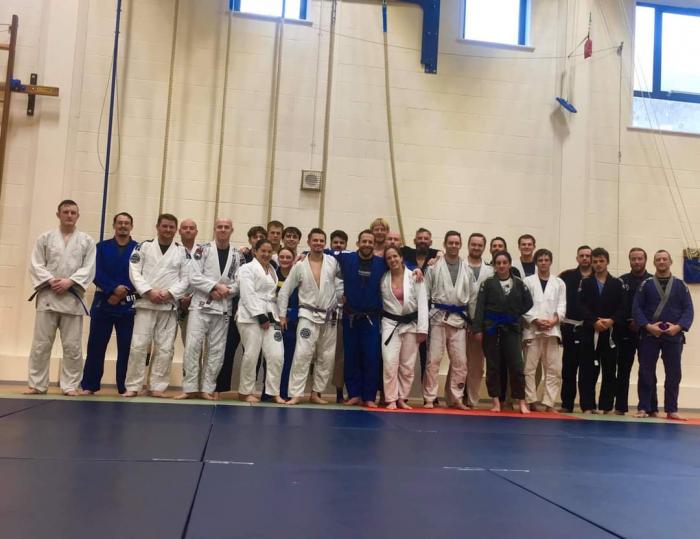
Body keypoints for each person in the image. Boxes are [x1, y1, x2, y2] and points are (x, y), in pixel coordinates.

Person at [25, 200, 96, 395]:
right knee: (40, 344)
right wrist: (51, 280)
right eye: (66, 212)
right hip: (48, 296)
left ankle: (70, 385)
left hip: (72, 298)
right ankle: (37, 384)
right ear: (58, 214)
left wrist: (69, 281)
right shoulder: (45, 238)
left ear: (78, 216)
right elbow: (36, 264)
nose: (69, 215)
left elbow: (89, 268)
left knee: (72, 346)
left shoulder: (87, 241)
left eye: (73, 212)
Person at [175, 218, 244, 400]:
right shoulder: (202, 249)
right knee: (193, 347)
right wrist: (214, 287)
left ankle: (207, 388)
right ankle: (190, 388)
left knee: (216, 350)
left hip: (223, 307)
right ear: (214, 229)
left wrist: (226, 291)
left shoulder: (237, 255)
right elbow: (193, 276)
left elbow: (240, 281)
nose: (223, 230)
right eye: (220, 227)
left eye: (226, 227)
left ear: (232, 230)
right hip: (200, 306)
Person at [123, 214, 191, 397]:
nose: (168, 230)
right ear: (157, 227)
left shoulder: (182, 252)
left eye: (171, 227)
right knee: (138, 346)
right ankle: (133, 386)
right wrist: (148, 291)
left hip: (168, 305)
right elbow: (134, 271)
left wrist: (170, 293)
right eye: (164, 226)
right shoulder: (143, 247)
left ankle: (157, 386)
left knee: (165, 348)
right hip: (146, 303)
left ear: (175, 230)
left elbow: (186, 278)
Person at [279, 229, 340, 405]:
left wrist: (340, 299)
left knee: (326, 356)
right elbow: (285, 291)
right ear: (308, 242)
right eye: (315, 240)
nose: (318, 243)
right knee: (302, 354)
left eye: (321, 240)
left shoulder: (333, 262)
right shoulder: (300, 265)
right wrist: (282, 315)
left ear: (325, 243)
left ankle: (316, 393)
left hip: (329, 315)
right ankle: (296, 394)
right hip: (307, 315)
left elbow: (342, 282)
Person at [80, 212, 138, 395]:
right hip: (104, 300)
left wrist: (122, 292)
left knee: (127, 347)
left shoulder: (138, 249)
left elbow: (141, 274)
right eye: (120, 223)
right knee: (96, 346)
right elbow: (95, 272)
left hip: (128, 302)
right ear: (114, 225)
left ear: (131, 226)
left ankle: (124, 386)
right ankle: (90, 385)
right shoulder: (101, 247)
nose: (123, 226)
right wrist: (112, 289)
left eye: (126, 223)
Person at [634, 250, 694, 420]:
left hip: (673, 335)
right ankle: (644, 407)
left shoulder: (681, 285)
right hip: (650, 334)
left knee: (674, 373)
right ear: (654, 263)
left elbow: (688, 309)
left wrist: (679, 327)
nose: (661, 262)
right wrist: (647, 326)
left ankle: (672, 409)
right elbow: (636, 308)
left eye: (664, 259)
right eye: (658, 259)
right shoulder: (645, 284)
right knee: (645, 371)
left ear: (670, 261)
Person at [473, 251, 533, 414]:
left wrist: (514, 313)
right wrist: (478, 329)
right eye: (498, 263)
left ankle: (521, 401)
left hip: (512, 327)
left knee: (517, 366)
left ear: (509, 264)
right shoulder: (487, 283)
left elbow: (529, 302)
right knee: (493, 366)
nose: (501, 266)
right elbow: (480, 307)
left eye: (504, 262)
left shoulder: (518, 283)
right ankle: (496, 401)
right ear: (494, 265)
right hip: (491, 328)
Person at [332, 230, 386, 407]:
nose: (367, 244)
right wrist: (303, 254)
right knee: (351, 356)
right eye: (364, 241)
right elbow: (325, 251)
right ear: (358, 243)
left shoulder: (381, 263)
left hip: (371, 318)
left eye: (370, 242)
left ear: (374, 244)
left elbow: (401, 263)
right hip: (351, 317)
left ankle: (369, 396)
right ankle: (354, 394)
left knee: (371, 357)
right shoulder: (347, 258)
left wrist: (415, 268)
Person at [214, 226, 267, 396]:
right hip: (236, 308)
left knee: (253, 352)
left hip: (257, 314)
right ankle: (219, 388)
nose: (258, 239)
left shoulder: (269, 261)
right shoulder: (240, 255)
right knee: (227, 349)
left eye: (261, 236)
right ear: (250, 239)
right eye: (255, 237)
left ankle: (248, 389)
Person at [423, 231, 473, 410]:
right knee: (433, 360)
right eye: (450, 243)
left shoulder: (467, 269)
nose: (453, 245)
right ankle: (430, 397)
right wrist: (423, 321)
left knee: (461, 361)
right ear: (444, 244)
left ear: (460, 245)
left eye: (456, 243)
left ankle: (456, 398)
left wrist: (472, 321)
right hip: (437, 317)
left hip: (459, 319)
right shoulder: (434, 267)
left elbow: (472, 297)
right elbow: (425, 293)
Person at [236, 239, 285, 403]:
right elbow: (247, 293)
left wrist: (275, 315)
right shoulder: (246, 268)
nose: (266, 254)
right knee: (252, 354)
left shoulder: (272, 269)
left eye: (269, 251)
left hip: (271, 315)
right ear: (255, 251)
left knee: (277, 355)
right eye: (262, 251)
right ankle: (245, 391)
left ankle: (273, 392)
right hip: (250, 317)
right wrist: (259, 315)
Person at [578, 247, 625, 414]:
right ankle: (587, 405)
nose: (598, 264)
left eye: (601, 261)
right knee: (587, 370)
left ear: (607, 262)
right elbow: (580, 305)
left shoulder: (617, 283)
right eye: (595, 261)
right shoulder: (586, 283)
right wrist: (593, 321)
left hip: (610, 332)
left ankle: (606, 406)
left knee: (609, 370)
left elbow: (623, 306)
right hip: (590, 331)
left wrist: (611, 320)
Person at [381, 247, 429, 409]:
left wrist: (423, 329)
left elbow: (423, 302)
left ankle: (402, 398)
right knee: (389, 362)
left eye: (395, 256)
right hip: (390, 324)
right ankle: (391, 398)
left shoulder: (414, 276)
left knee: (407, 365)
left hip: (411, 324)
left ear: (401, 258)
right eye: (389, 258)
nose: (392, 260)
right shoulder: (383, 278)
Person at [522, 249, 566, 411]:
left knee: (554, 369)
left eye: (546, 260)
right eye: (540, 260)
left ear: (551, 262)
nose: (543, 263)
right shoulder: (527, 281)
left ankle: (549, 403)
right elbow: (524, 305)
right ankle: (530, 400)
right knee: (529, 368)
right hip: (532, 329)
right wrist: (535, 320)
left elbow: (562, 306)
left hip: (552, 330)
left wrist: (554, 321)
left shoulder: (559, 283)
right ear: (536, 263)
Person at [401, 228, 440, 394]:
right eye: (420, 238)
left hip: (428, 314)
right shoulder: (406, 254)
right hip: (407, 312)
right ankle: (401, 394)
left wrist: (439, 256)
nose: (422, 241)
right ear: (414, 241)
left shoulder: (435, 257)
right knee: (403, 356)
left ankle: (428, 395)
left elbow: (444, 253)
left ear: (430, 242)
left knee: (428, 356)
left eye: (426, 239)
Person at [616, 248, 653, 415]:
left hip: (646, 331)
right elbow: (618, 305)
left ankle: (650, 407)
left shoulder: (652, 280)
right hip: (625, 330)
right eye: (633, 259)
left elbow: (654, 307)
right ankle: (620, 407)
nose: (637, 262)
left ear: (645, 260)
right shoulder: (621, 281)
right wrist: (629, 321)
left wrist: (641, 323)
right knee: (623, 370)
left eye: (640, 258)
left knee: (647, 370)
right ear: (629, 260)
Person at [460, 233, 494, 407]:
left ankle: (472, 399)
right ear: (468, 245)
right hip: (459, 320)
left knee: (477, 365)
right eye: (473, 244)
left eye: (480, 245)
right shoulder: (459, 265)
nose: (476, 247)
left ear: (484, 247)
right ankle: (454, 398)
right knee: (458, 362)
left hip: (480, 323)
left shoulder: (490, 270)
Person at [558, 245, 593, 412]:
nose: (585, 258)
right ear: (577, 258)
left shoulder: (598, 277)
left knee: (587, 369)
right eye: (582, 255)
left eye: (588, 255)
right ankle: (567, 404)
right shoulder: (566, 276)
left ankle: (587, 405)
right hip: (569, 327)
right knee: (568, 368)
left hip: (589, 328)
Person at [276, 247, 299, 400]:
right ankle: (268, 392)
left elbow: (303, 298)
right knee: (273, 358)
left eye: (288, 257)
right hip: (274, 321)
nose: (284, 260)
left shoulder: (298, 276)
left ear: (293, 259)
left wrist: (290, 315)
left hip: (292, 323)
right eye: (282, 257)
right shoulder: (272, 274)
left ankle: (284, 392)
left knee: (288, 359)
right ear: (278, 258)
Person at [330, 230, 348, 402]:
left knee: (343, 356)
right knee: (323, 355)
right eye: (335, 242)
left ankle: (341, 392)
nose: (338, 245)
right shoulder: (325, 260)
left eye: (342, 243)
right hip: (327, 316)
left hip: (345, 316)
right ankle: (316, 392)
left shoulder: (350, 261)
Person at [177, 219, 198, 345]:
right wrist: (180, 297)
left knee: (192, 343)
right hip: (172, 299)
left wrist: (190, 297)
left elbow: (206, 277)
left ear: (196, 232)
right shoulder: (173, 249)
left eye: (191, 228)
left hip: (194, 301)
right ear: (179, 231)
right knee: (163, 342)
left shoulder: (203, 251)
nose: (188, 230)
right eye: (185, 228)